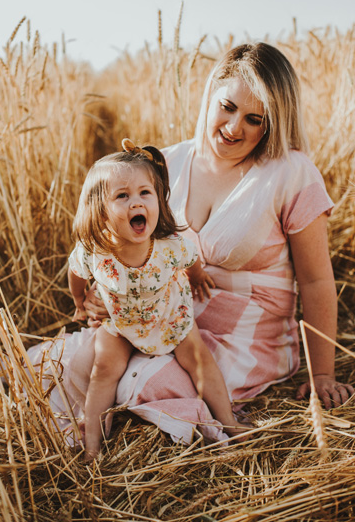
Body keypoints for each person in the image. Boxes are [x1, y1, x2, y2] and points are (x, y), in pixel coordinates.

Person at [27, 42, 353, 449]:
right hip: (164, 314)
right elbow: (118, 238)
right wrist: (98, 292)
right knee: (75, 361)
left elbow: (317, 280)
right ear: (211, 93)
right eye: (228, 107)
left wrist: (321, 372)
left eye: (254, 119)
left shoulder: (291, 173)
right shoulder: (165, 163)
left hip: (247, 338)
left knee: (143, 380)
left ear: (273, 122)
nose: (235, 128)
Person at [68, 139, 250, 460]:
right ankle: (92, 444)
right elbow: (76, 272)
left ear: (158, 200)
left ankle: (230, 423)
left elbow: (191, 258)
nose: (135, 202)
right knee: (104, 369)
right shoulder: (95, 251)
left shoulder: (169, 246)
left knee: (199, 360)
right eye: (122, 196)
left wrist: (196, 277)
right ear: (100, 210)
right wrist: (80, 300)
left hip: (170, 316)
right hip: (122, 322)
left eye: (144, 193)